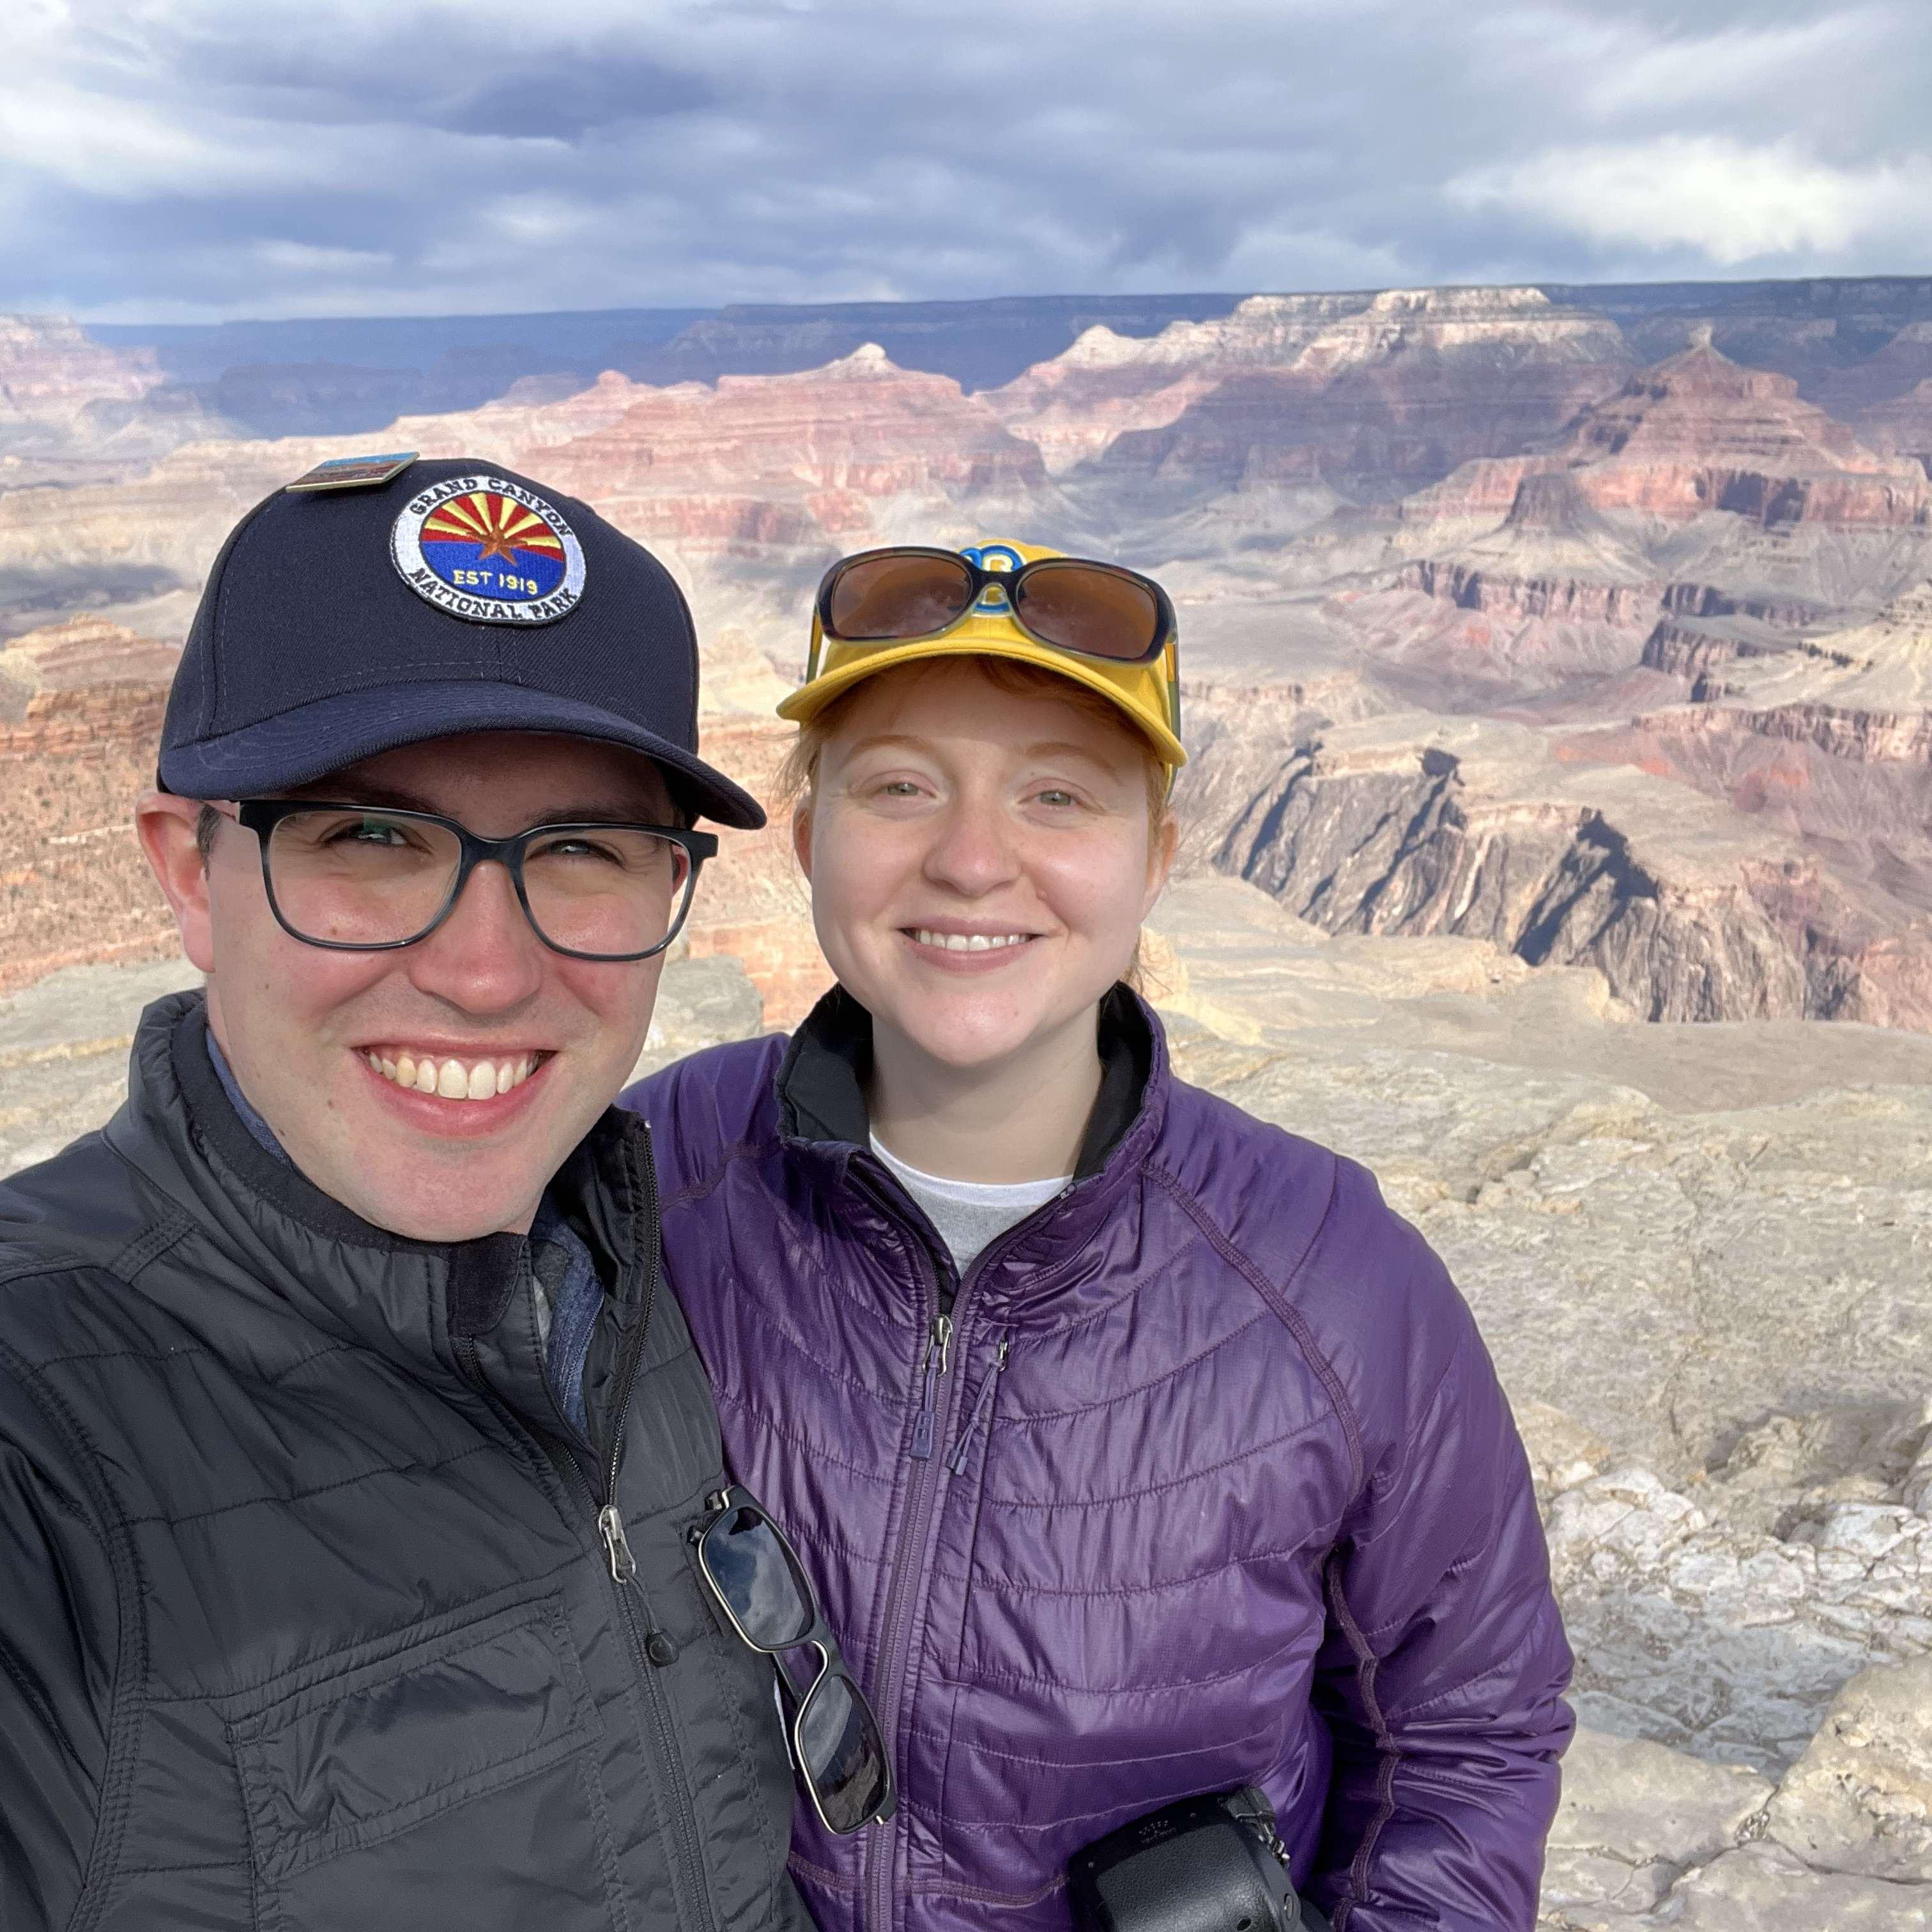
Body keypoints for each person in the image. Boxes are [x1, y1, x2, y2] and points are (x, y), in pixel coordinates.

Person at [622, 539, 1575, 1930]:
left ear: (1158, 859)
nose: (968, 859)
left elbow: (1468, 1738)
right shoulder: (658, 1183)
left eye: (1057, 795)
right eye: (899, 786)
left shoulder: (1338, 1284)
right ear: (811, 832)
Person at [0, 459, 866, 1931]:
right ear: (190, 876)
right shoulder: (41, 1431)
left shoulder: (631, 1270)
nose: (483, 972)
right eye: (373, 839)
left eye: (582, 850)